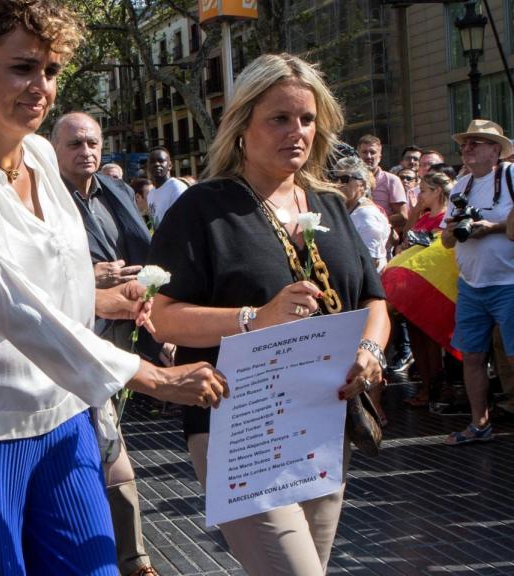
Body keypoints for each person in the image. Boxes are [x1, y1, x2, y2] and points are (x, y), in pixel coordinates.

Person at [0, 1, 227, 573]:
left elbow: (51, 274)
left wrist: (105, 299)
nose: (42, 87)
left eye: (51, 71)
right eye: (23, 67)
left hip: (62, 412)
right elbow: (6, 299)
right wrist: (149, 375)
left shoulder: (38, 155)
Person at [147, 53, 389, 575]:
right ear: (242, 126)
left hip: (324, 424)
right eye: (279, 118)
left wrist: (370, 350)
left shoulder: (327, 205)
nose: (296, 132)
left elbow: (374, 299)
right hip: (240, 426)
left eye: (306, 119)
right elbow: (161, 316)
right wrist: (254, 318)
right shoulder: (202, 209)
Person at [52, 111, 165, 576]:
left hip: (123, 331)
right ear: (53, 150)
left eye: (93, 143)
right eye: (76, 144)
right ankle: (131, 559)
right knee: (106, 443)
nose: (87, 152)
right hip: (66, 341)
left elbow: (145, 251)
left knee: (106, 440)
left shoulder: (116, 192)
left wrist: (148, 295)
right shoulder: (38, 198)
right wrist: (87, 279)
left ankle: (128, 557)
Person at [441, 119, 514, 445]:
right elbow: (445, 241)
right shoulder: (460, 187)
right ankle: (479, 424)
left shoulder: (511, 177)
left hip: (509, 282)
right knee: (471, 357)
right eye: (465, 143)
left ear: (495, 150)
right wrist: (455, 227)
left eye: (476, 142)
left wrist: (491, 227)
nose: (467, 148)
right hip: (471, 285)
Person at [391, 171, 454, 407]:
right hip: (414, 286)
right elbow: (408, 236)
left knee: (431, 338)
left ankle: (438, 388)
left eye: (425, 190)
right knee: (418, 335)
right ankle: (426, 387)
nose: (420, 195)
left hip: (431, 286)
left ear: (437, 191)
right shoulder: (424, 216)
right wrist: (416, 211)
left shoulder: (447, 217)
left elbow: (438, 249)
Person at [335, 156, 391, 272]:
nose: (338, 184)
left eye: (345, 179)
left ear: (363, 184)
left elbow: (372, 261)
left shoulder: (366, 215)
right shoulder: (351, 208)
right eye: (335, 178)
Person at [145, 147, 187, 227]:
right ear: (148, 167)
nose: (157, 164)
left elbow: (182, 221)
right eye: (152, 162)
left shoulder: (177, 187)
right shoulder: (150, 194)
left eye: (161, 161)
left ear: (170, 165)